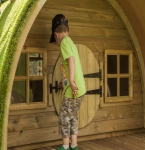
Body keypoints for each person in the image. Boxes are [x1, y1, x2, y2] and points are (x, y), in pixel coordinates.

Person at [50, 14, 86, 150]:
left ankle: (65, 147)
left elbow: (71, 59)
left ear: (56, 35)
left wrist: (70, 81)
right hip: (79, 88)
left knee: (64, 117)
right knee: (72, 117)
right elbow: (70, 64)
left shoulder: (64, 42)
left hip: (73, 88)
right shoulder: (70, 41)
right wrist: (63, 83)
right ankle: (74, 145)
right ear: (67, 30)